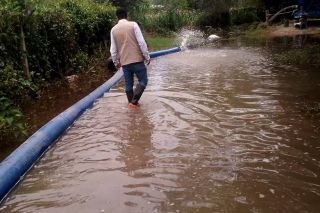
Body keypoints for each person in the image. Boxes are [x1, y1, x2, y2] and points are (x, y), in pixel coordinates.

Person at [110, 8, 151, 108]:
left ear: (117, 17)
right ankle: (134, 102)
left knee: (128, 84)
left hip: (124, 62)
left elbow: (113, 50)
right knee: (143, 80)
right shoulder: (133, 25)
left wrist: (116, 62)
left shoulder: (113, 30)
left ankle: (131, 104)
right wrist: (147, 56)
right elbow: (141, 43)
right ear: (126, 16)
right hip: (137, 60)